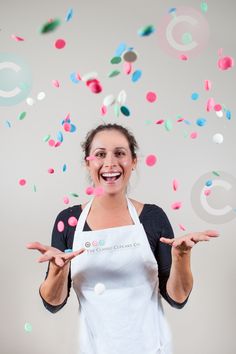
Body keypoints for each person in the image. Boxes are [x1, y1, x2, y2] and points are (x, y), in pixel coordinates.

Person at [27, 123, 219, 354]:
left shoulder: (153, 217)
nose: (110, 163)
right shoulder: (69, 221)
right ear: (88, 163)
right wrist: (57, 271)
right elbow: (53, 304)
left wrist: (182, 257)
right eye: (100, 154)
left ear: (133, 161)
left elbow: (177, 299)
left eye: (119, 153)